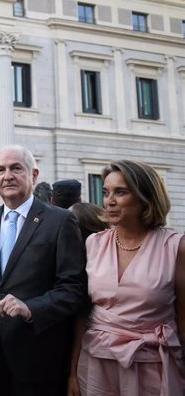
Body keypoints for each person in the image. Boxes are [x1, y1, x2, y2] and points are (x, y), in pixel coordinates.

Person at [0, 145, 87, 395]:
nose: (7, 176)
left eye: (16, 168)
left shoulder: (59, 221)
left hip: (38, 356)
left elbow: (73, 289)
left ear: (34, 175)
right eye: (1, 170)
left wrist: (31, 309)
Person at [69, 160, 185, 396]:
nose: (109, 201)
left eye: (120, 192)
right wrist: (72, 372)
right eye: (105, 192)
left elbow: (184, 320)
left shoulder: (176, 247)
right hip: (97, 363)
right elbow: (83, 313)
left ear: (145, 197)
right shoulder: (93, 243)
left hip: (153, 367)